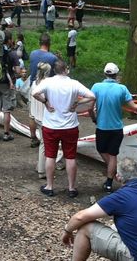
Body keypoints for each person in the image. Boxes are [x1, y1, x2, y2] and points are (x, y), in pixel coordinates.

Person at [45, 157, 137, 261]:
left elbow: (80, 217)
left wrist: (67, 231)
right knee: (114, 228)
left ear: (118, 177)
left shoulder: (122, 196)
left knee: (85, 227)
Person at [32, 60, 95, 198]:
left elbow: (35, 93)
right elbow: (92, 96)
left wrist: (46, 102)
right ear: (66, 69)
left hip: (51, 125)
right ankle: (71, 188)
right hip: (70, 126)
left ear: (54, 70)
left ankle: (49, 186)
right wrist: (78, 102)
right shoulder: (74, 83)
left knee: (50, 156)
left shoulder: (48, 82)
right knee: (70, 157)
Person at [90, 63, 137, 192]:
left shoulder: (96, 87)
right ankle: (112, 177)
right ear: (116, 75)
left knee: (102, 150)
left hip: (102, 126)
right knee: (113, 155)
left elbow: (89, 108)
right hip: (117, 127)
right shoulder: (122, 89)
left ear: (104, 74)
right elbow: (134, 107)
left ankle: (111, 178)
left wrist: (93, 118)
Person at [27, 33, 59, 146]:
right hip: (46, 89)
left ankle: (33, 137)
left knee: (32, 114)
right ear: (49, 43)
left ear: (39, 42)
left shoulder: (33, 54)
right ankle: (46, 139)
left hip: (33, 85)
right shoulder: (52, 57)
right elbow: (56, 73)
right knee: (45, 114)